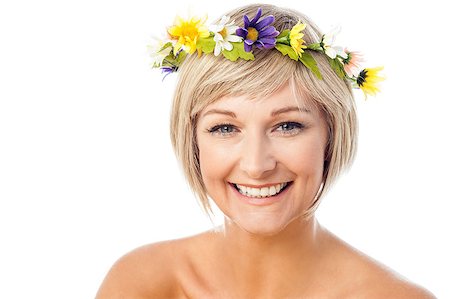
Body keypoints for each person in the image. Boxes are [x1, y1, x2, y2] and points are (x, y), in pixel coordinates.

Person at [96, 3, 436, 298]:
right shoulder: (140, 283)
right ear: (193, 142)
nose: (256, 165)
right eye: (225, 128)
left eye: (288, 126)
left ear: (331, 135)